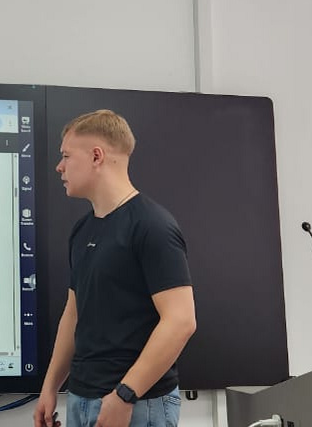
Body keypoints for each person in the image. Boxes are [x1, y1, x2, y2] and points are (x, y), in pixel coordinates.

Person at [33, 110, 196, 427]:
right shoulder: (82, 230)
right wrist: (50, 387)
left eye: (66, 156)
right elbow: (74, 313)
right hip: (82, 398)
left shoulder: (152, 226)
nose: (59, 167)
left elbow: (181, 321)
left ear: (97, 156)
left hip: (138, 405)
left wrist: (125, 395)